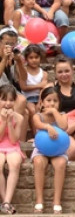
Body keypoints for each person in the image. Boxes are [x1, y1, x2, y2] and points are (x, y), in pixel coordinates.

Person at [31, 87, 68, 214]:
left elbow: (63, 126)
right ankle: (39, 199)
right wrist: (48, 127)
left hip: (58, 150)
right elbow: (37, 125)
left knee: (61, 164)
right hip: (41, 149)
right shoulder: (38, 116)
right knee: (38, 162)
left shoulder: (62, 115)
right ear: (41, 103)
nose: (52, 103)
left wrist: (54, 112)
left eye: (55, 101)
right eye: (48, 100)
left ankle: (56, 201)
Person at [0, 85, 24, 214]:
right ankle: (6, 202)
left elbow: (14, 140)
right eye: (4, 99)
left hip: (12, 146)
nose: (7, 103)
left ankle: (6, 201)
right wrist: (3, 121)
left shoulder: (19, 117)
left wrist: (10, 122)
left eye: (11, 100)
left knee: (14, 163)